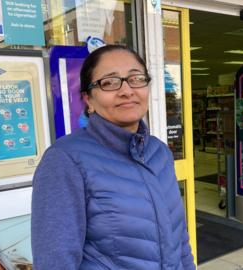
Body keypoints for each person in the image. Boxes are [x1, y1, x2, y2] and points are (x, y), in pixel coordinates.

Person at [31, 44, 195, 270]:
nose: (127, 90)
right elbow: (55, 263)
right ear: (88, 99)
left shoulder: (160, 153)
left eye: (136, 78)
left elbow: (180, 240)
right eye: (109, 82)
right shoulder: (65, 161)